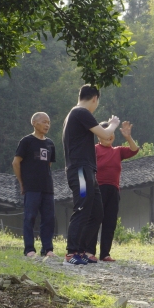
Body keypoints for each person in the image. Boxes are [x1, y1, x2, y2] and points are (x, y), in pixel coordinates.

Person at [62, 84, 123, 265]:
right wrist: (113, 124)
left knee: (96, 211)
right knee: (82, 207)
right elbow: (104, 134)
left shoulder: (76, 114)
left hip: (88, 172)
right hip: (80, 171)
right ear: (95, 98)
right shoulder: (80, 112)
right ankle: (72, 252)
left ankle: (83, 250)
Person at [83, 120, 139, 262]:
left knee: (110, 221)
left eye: (111, 134)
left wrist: (128, 137)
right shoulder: (94, 149)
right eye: (105, 133)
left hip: (113, 189)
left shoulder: (118, 151)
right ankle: (89, 251)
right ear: (99, 135)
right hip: (97, 188)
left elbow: (134, 149)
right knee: (95, 218)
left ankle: (105, 253)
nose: (109, 136)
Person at [12, 112, 57, 258]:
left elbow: (48, 165)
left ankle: (47, 249)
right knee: (30, 217)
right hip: (31, 187)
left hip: (47, 187)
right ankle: (29, 250)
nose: (47, 125)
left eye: (48, 122)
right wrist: (22, 182)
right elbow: (16, 162)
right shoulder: (26, 141)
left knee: (48, 218)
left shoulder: (50, 144)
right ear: (34, 123)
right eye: (44, 122)